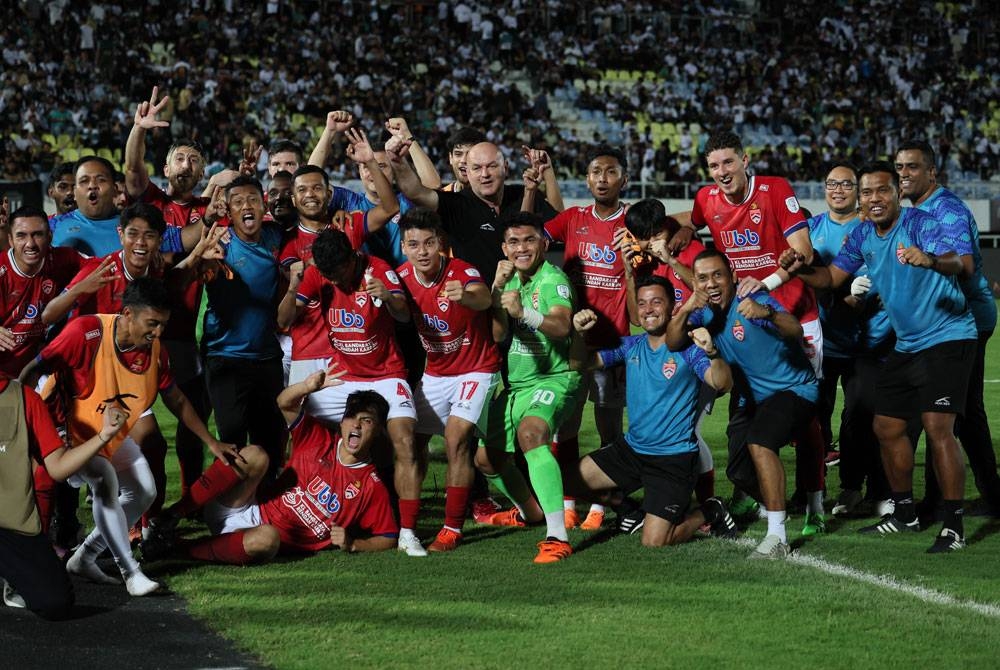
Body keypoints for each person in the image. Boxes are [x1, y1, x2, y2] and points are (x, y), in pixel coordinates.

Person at [780, 162, 978, 553]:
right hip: (908, 344)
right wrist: (800, 269)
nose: (874, 199)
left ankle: (953, 525)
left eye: (882, 190)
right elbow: (832, 280)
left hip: (948, 337)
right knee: (886, 427)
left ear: (897, 192)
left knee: (938, 427)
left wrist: (932, 260)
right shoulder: (861, 235)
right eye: (867, 192)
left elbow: (962, 263)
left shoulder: (920, 225)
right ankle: (905, 514)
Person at [19, 278, 240, 595]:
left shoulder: (155, 352)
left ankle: (85, 557)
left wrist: (211, 441)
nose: (158, 332)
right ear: (126, 315)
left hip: (107, 436)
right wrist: (32, 431)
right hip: (66, 435)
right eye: (152, 323)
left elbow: (175, 398)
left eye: (162, 325)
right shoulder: (85, 333)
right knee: (105, 479)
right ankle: (131, 573)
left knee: (144, 491)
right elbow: (31, 371)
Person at [667, 131, 826, 528]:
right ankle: (756, 493)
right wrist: (685, 230)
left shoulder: (774, 190)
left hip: (790, 315)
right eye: (714, 166)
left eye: (728, 163)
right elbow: (697, 217)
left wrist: (765, 286)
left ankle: (815, 506)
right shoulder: (706, 198)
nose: (722, 172)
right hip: (738, 321)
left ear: (745, 160)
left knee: (806, 420)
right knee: (748, 406)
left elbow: (803, 252)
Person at [142, 375, 398, 564]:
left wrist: (354, 544)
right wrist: (307, 387)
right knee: (256, 454)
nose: (357, 426)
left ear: (378, 432)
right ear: (342, 422)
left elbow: (388, 536)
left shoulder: (371, 485)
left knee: (268, 539)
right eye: (353, 418)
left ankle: (176, 549)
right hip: (243, 504)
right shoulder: (318, 438)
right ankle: (173, 515)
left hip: (258, 537)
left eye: (367, 421)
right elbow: (284, 403)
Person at [669, 250, 820, 559]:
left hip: (794, 389)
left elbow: (794, 328)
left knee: (760, 441)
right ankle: (780, 504)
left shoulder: (750, 297)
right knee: (738, 471)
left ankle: (777, 535)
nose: (711, 284)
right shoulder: (700, 312)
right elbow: (673, 341)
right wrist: (686, 308)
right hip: (752, 398)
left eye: (717, 275)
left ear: (732, 277)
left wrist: (767, 313)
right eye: (702, 278)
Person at [279, 229, 421, 555]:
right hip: (343, 374)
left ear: (352, 257)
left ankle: (408, 532)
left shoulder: (378, 269)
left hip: (386, 374)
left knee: (404, 439)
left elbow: (403, 314)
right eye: (328, 275)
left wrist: (387, 296)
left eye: (339, 273)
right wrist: (294, 286)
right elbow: (284, 319)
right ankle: (300, 505)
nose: (335, 281)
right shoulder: (319, 274)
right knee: (293, 419)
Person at [568, 275, 737, 546]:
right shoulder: (631, 346)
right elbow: (579, 363)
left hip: (673, 460)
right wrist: (578, 334)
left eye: (656, 302)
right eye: (643, 303)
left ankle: (710, 510)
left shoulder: (689, 350)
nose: (648, 310)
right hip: (632, 451)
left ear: (672, 307)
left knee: (655, 542)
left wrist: (712, 352)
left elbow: (723, 383)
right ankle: (626, 508)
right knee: (567, 481)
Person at [895, 141, 1000, 517]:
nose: (903, 173)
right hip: (948, 321)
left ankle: (938, 501)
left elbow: (966, 266)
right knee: (964, 413)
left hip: (963, 321)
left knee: (944, 413)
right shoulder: (917, 210)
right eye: (899, 167)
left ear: (932, 172)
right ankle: (988, 496)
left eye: (912, 167)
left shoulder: (946, 209)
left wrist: (929, 261)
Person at [124, 87, 215, 499]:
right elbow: (131, 170)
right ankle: (133, 506)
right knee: (131, 422)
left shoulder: (207, 209)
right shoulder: (153, 202)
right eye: (180, 156)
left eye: (194, 160)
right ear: (166, 164)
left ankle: (191, 498)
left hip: (180, 336)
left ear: (202, 172)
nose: (187, 163)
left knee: (192, 418)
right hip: (136, 333)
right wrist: (139, 130)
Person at [477, 213, 581, 564]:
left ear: (544, 244)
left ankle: (557, 536)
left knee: (532, 434)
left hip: (554, 377)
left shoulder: (553, 279)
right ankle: (529, 512)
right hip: (517, 382)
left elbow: (563, 326)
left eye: (529, 240)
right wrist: (495, 291)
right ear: (504, 248)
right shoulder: (507, 282)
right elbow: (496, 335)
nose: (522, 248)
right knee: (486, 458)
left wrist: (524, 312)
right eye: (514, 242)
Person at [396, 209, 501, 551]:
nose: (423, 251)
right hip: (436, 372)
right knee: (411, 441)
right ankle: (406, 528)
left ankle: (452, 529)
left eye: (429, 243)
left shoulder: (460, 271)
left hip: (476, 368)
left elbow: (484, 298)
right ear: (404, 246)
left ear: (440, 243)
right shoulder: (401, 278)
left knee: (456, 438)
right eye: (414, 244)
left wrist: (465, 296)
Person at [539, 145, 630, 530]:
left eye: (610, 172)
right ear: (587, 178)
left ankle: (604, 503)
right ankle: (570, 499)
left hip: (614, 345)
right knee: (566, 425)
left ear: (622, 178)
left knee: (610, 427)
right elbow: (532, 239)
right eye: (596, 172)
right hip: (574, 344)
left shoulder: (633, 224)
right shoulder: (573, 218)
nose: (603, 179)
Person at [0, 374, 126, 619]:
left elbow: (57, 466)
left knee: (55, 602)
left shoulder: (25, 398)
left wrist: (104, 435)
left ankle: (14, 575)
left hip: (10, 526)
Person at [807, 164, 891, 516]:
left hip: (867, 343)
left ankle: (859, 489)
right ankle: (810, 492)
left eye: (846, 184)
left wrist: (837, 291)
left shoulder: (871, 229)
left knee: (861, 414)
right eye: (831, 183)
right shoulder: (810, 229)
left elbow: (863, 298)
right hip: (822, 344)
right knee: (814, 418)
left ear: (858, 189)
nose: (838, 189)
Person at [199, 176, 287, 476]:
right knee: (232, 442)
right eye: (238, 202)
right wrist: (207, 264)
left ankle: (266, 509)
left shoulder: (276, 236)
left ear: (264, 206)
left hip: (266, 356)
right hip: (226, 357)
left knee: (272, 441)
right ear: (229, 212)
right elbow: (205, 271)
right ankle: (221, 510)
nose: (246, 206)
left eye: (252, 200)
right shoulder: (220, 242)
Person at [389, 140, 558, 286]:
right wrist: (398, 162)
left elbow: (560, 222)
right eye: (477, 168)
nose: (485, 174)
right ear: (467, 172)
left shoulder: (526, 192)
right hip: (477, 306)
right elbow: (416, 192)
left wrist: (548, 172)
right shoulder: (455, 204)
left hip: (527, 303)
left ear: (505, 167)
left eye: (492, 166)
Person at [0, 204, 84, 378]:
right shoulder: (2, 272)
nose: (30, 244)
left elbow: (99, 266)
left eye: (37, 235)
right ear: (10, 240)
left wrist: (75, 289)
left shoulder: (61, 259)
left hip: (35, 371)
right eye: (21, 236)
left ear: (50, 237)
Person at [440, 126, 488, 192]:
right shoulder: (442, 196)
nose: (463, 160)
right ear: (450, 158)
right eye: (458, 154)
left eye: (470, 154)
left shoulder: (495, 197)